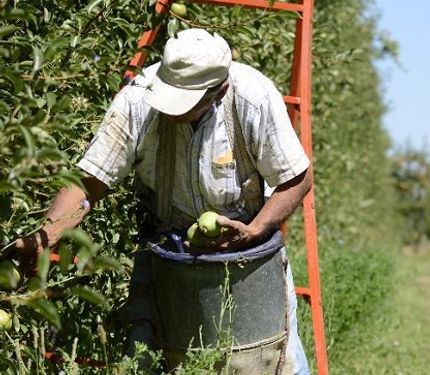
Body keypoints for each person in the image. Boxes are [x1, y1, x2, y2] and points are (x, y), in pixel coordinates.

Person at [11, 28, 311, 374]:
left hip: (247, 260)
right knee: (146, 360)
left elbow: (297, 177)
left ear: (218, 90)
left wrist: (254, 229)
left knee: (270, 358)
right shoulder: (139, 98)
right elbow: (89, 182)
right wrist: (46, 234)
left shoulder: (252, 98)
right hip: (165, 254)